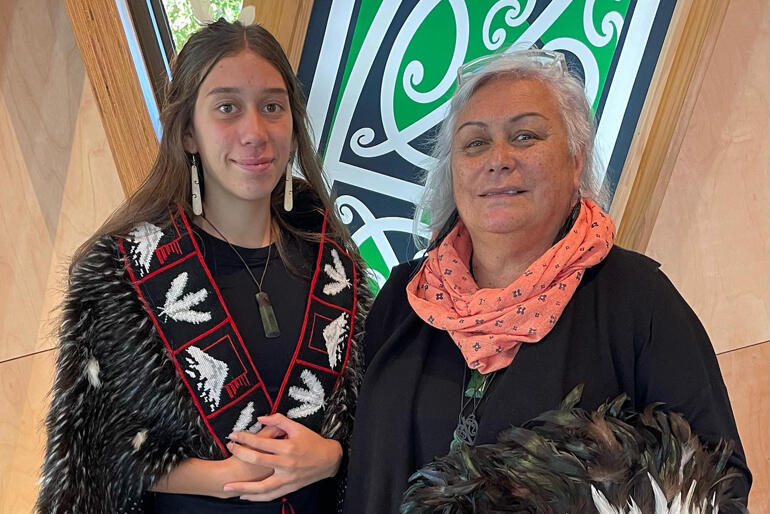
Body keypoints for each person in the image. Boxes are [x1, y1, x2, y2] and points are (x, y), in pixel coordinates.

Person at [343, 49, 751, 514]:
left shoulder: (637, 299)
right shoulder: (406, 298)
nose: (498, 159)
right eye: (475, 143)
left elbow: (720, 482)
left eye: (525, 136)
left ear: (575, 160)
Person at [37, 20, 370, 514]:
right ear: (188, 132)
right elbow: (90, 452)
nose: (254, 132)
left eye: (272, 107)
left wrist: (333, 456)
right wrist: (221, 479)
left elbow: (379, 419)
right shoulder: (121, 274)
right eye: (227, 107)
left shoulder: (335, 262)